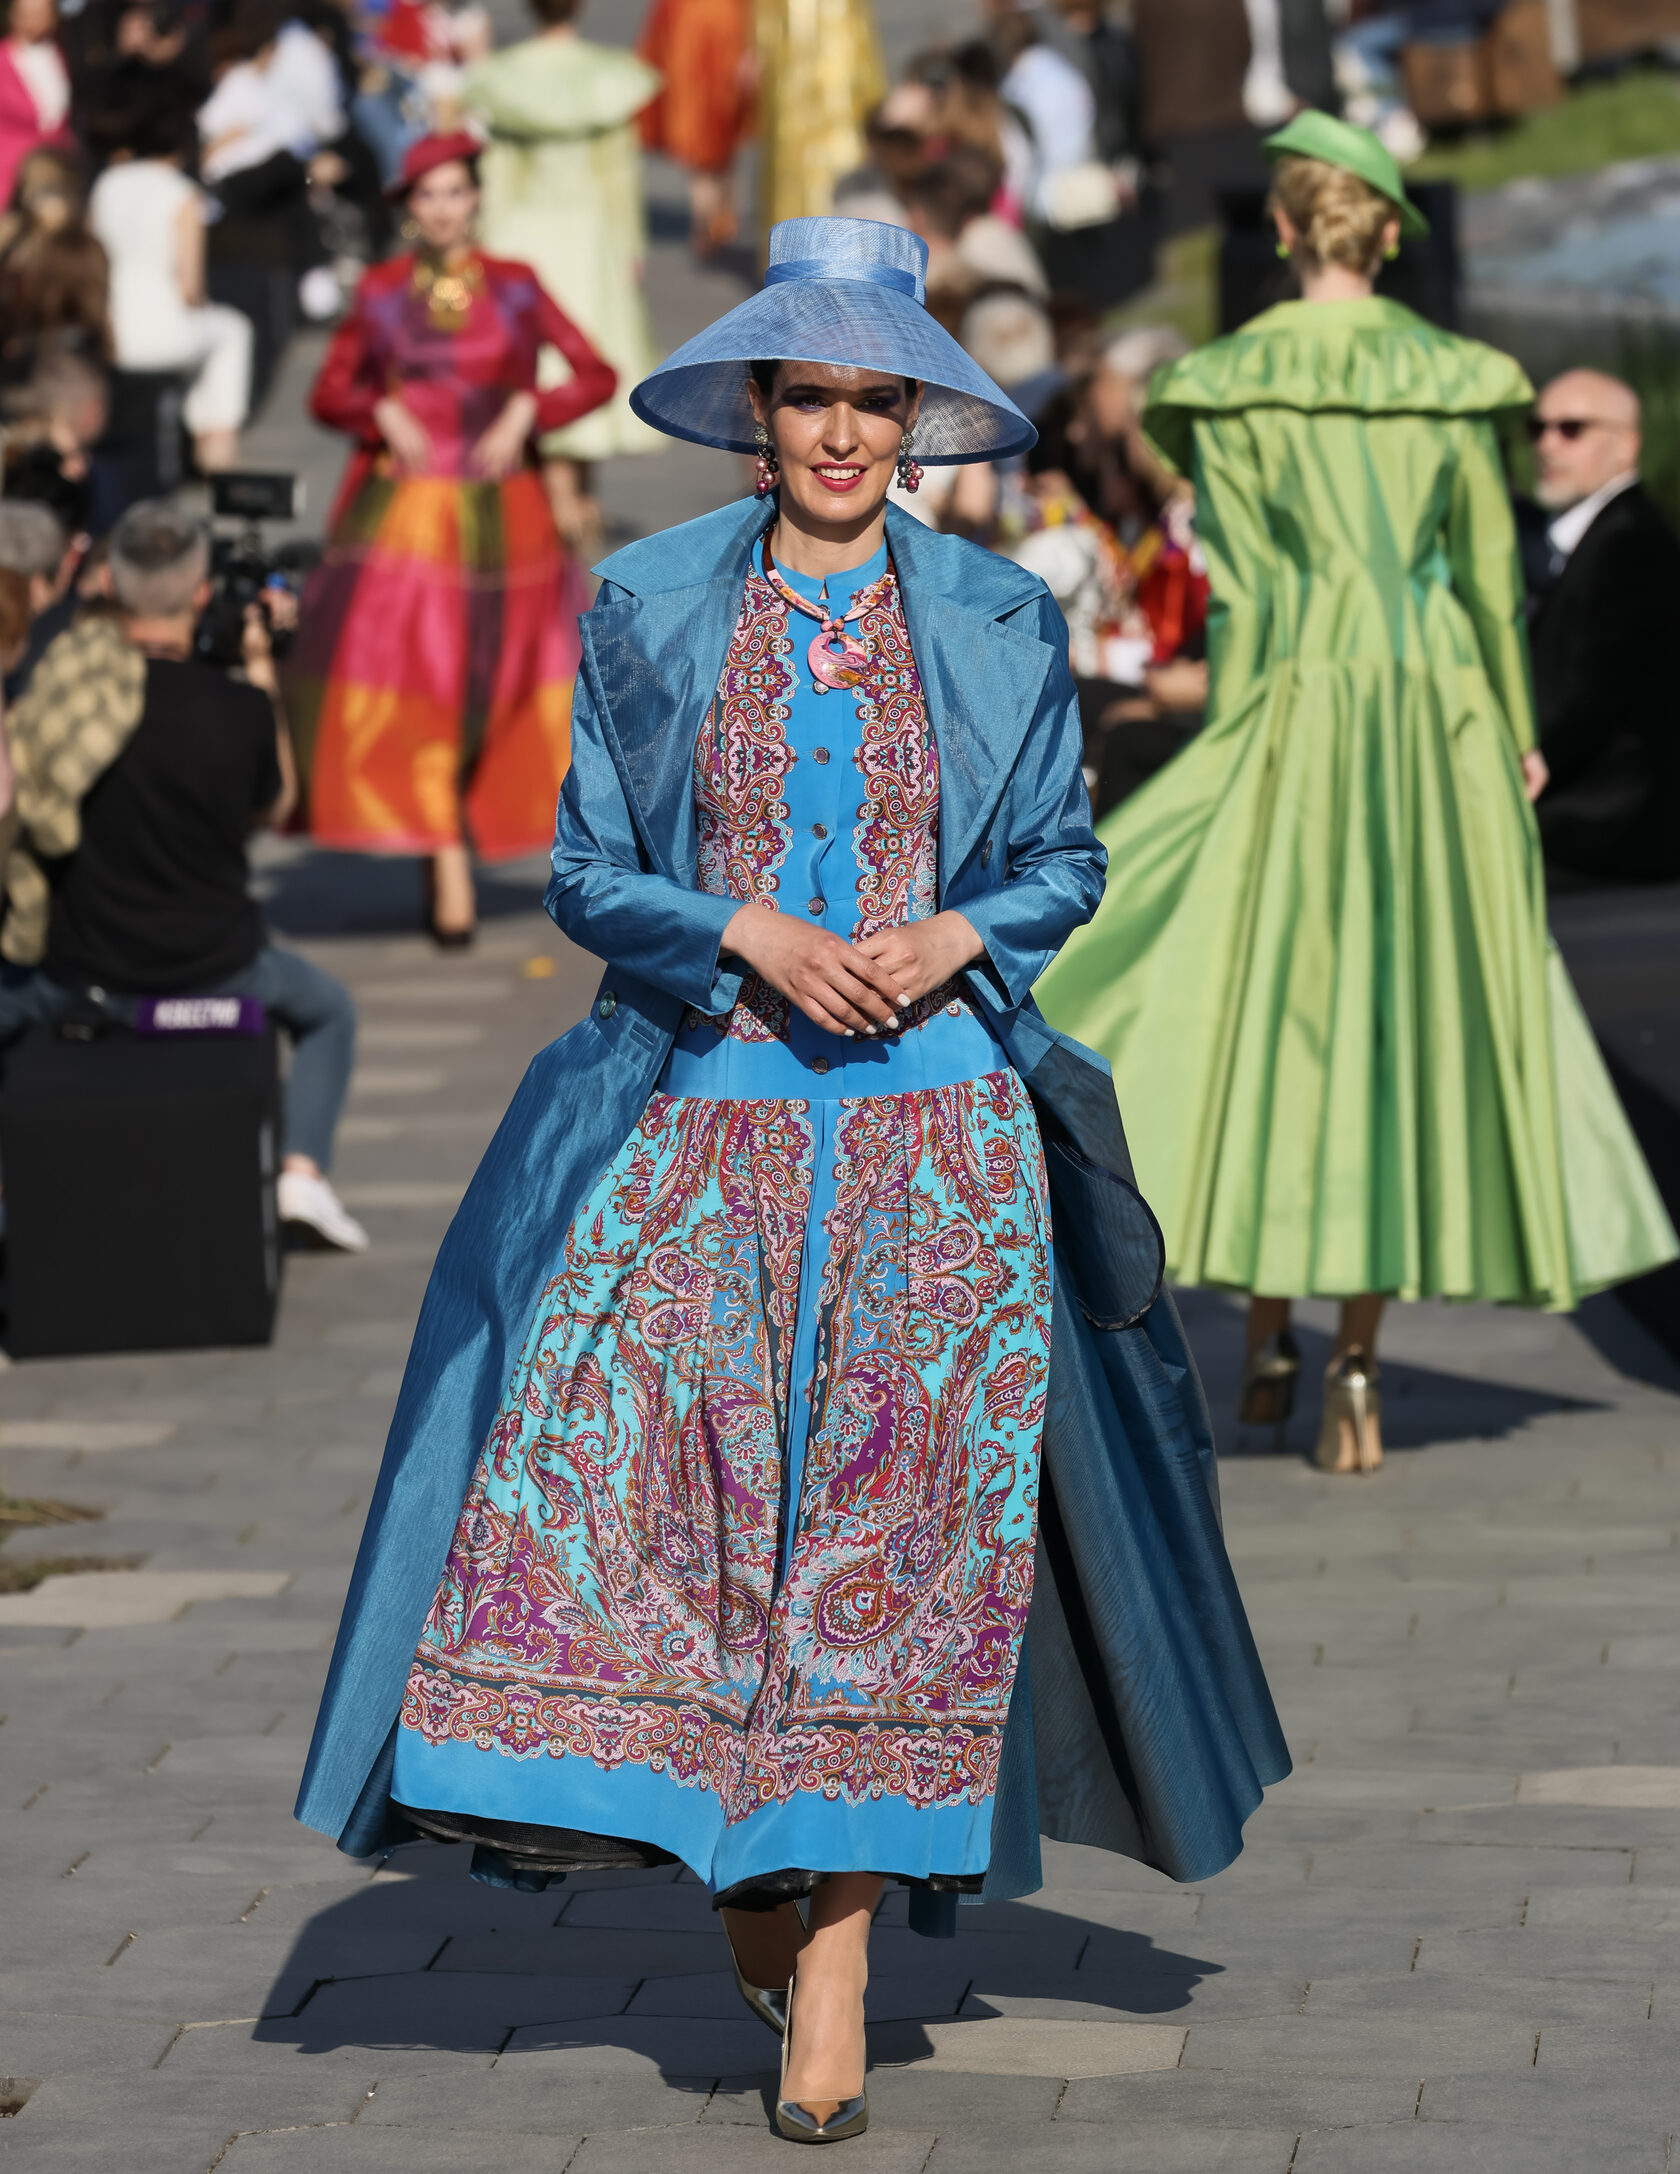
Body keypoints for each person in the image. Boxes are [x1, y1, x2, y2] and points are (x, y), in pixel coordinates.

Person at [295, 213, 1289, 2146]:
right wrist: (739, 920)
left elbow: (1065, 862)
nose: (843, 429)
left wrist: (951, 937)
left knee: (893, 1554)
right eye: (812, 392)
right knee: (667, 1530)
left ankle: (836, 1953)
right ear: (759, 406)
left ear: (918, 417)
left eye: (873, 397)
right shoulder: (651, 599)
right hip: (706, 1120)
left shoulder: (997, 614)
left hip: (939, 1145)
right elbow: (584, 872)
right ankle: (753, 1867)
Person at [1034, 113, 1677, 1474]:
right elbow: (1484, 584)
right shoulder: (1458, 380)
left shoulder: (1225, 384)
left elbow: (1247, 601)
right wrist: (1510, 729)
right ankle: (1359, 1365)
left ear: (1276, 229)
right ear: (1385, 234)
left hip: (1298, 705)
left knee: (1269, 1014)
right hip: (1432, 717)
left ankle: (1268, 1332)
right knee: (1400, 1032)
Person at [0, 499, 369, 1252]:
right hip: (217, 968)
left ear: (107, 580)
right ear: (202, 595)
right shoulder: (233, 709)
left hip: (76, 969)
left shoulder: (63, 693)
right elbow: (275, 807)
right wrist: (261, 669)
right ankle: (301, 1175)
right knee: (328, 1010)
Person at [282, 131, 614, 944]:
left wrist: (530, 407)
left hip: (512, 517)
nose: (442, 208)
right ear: (406, 208)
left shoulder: (515, 287)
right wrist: (378, 409)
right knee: (416, 682)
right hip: (408, 519)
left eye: (455, 191)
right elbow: (329, 392)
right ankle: (444, 858)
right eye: (426, 194)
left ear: (476, 198)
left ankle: (472, 827)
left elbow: (596, 374)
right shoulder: (382, 292)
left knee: (504, 681)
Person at [465, 0, 661, 548]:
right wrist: (630, 245)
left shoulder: (503, 79)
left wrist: (484, 242)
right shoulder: (607, 77)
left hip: (519, 230)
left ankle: (561, 502)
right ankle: (576, 501)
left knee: (541, 364)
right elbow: (618, 173)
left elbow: (497, 171)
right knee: (585, 360)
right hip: (588, 233)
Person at [1524, 367, 1680, 886]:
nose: (1547, 444)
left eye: (1571, 428)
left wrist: (1507, 776)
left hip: (1601, 835)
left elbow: (1586, 698)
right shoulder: (1591, 538)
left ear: (1625, 445)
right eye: (1537, 428)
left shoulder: (1630, 544)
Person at [89, 82, 254, 473]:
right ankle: (214, 447)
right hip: (165, 333)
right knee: (233, 331)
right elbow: (191, 285)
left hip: (110, 333)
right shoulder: (182, 194)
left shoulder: (107, 184)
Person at [754, 0, 883, 236]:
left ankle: (842, 240)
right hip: (792, 65)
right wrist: (756, 46)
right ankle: (795, 246)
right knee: (792, 151)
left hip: (838, 67)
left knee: (842, 149)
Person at [635, 0, 752, 259]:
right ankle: (716, 215)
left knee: (704, 136)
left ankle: (711, 218)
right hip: (718, 25)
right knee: (717, 137)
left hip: (698, 26)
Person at [0, 0, 70, 210]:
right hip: (10, 174)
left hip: (57, 169)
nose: (35, 19)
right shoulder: (4, 58)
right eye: (28, 13)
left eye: (41, 12)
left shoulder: (64, 54)